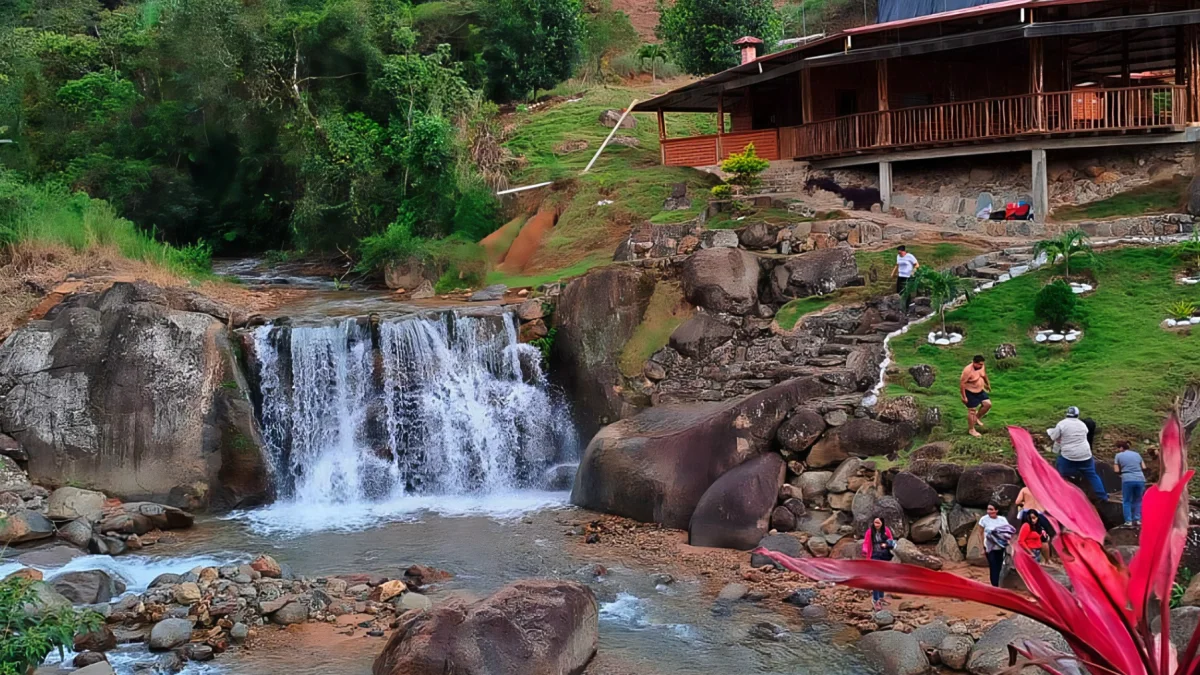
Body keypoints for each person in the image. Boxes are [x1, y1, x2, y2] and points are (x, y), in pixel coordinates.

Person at [1048, 406, 1107, 501]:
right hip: (1085, 454)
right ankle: (1102, 496)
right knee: (1092, 475)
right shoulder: (1082, 424)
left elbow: (1053, 437)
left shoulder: (1062, 424)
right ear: (1077, 415)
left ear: (1067, 413)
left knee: (1060, 471)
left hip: (1069, 455)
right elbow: (1086, 433)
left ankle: (1060, 492)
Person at [977, 503, 1014, 587]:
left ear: (996, 510)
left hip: (1000, 547)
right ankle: (995, 585)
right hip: (989, 547)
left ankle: (998, 583)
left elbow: (1008, 531)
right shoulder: (983, 519)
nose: (989, 511)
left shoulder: (1002, 520)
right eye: (988, 509)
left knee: (999, 565)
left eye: (991, 509)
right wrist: (981, 546)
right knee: (993, 566)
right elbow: (980, 533)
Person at [862, 517, 895, 610]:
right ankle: (875, 600)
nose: (876, 525)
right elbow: (866, 542)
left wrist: (886, 544)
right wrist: (865, 550)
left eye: (878, 523)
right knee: (876, 578)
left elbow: (891, 541)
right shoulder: (869, 532)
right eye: (875, 523)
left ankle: (881, 597)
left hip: (884, 556)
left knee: (883, 578)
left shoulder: (886, 530)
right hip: (874, 556)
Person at [1114, 440, 1147, 525]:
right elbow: (1144, 467)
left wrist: (1121, 473)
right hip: (1140, 478)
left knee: (1127, 500)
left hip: (1127, 479)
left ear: (1121, 448)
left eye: (1118, 448)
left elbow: (1116, 470)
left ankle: (1128, 521)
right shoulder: (1137, 454)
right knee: (1138, 500)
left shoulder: (1118, 455)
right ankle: (1138, 520)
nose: (1117, 450)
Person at [960, 355, 992, 438]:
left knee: (988, 404)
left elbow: (984, 375)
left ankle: (976, 418)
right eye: (979, 364)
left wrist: (988, 384)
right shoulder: (967, 371)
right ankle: (971, 429)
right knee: (972, 411)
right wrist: (964, 397)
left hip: (980, 390)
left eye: (982, 364)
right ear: (974, 363)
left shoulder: (981, 366)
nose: (981, 366)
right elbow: (962, 384)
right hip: (970, 392)